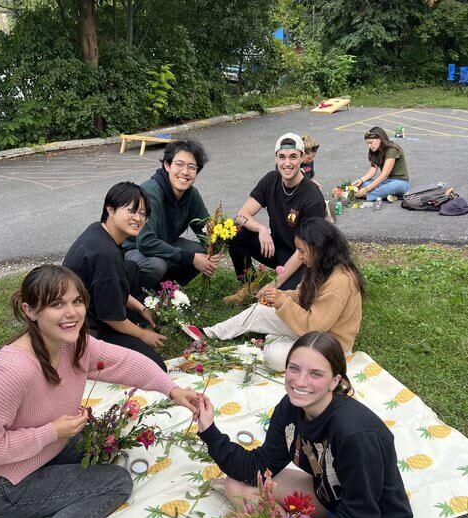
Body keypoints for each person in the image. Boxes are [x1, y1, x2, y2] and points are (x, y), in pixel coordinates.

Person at [0, 265, 199, 518]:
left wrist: (172, 390)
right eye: (57, 304)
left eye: (77, 301)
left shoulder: (72, 344)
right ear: (30, 310)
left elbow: (125, 362)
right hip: (1, 485)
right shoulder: (14, 370)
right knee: (116, 483)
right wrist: (52, 431)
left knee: (103, 446)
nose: (72, 313)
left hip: (34, 457)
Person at [197, 331, 413, 518]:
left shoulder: (355, 434)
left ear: (335, 381)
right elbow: (258, 466)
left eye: (316, 374)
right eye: (294, 369)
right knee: (238, 484)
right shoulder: (290, 408)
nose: (300, 381)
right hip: (329, 497)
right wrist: (210, 431)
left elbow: (361, 513)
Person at [197, 218, 363, 371]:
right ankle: (209, 332)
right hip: (313, 332)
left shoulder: (340, 282)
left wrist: (282, 302)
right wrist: (282, 295)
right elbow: (302, 295)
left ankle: (276, 338)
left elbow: (314, 326)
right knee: (260, 310)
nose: (299, 256)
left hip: (330, 345)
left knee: (274, 358)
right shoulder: (320, 265)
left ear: (318, 248)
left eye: (301, 251)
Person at [63, 181, 167, 371]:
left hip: (90, 305)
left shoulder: (99, 230)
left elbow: (112, 287)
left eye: (143, 213)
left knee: (131, 268)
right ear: (110, 210)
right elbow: (111, 317)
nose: (138, 218)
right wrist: (143, 335)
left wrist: (142, 308)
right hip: (84, 330)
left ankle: (130, 328)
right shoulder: (106, 255)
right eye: (131, 211)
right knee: (156, 366)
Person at [223, 133, 326, 305]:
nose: (287, 163)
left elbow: (306, 250)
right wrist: (261, 229)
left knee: (281, 302)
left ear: (302, 159)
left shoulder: (312, 197)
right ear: (276, 159)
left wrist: (275, 283)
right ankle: (248, 284)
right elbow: (241, 215)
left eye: (293, 156)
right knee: (235, 230)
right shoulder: (271, 179)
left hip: (302, 259)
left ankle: (284, 286)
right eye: (282, 157)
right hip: (277, 248)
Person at [124, 140, 221, 290]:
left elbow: (206, 230)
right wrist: (191, 259)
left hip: (162, 244)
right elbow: (145, 242)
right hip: (131, 251)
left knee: (201, 253)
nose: (185, 172)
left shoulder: (191, 195)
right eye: (180, 164)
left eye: (191, 167)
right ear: (167, 165)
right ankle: (138, 297)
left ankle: (165, 293)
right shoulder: (150, 193)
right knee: (157, 265)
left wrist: (213, 248)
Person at [352, 127, 410, 203]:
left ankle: (367, 196)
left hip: (400, 182)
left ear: (380, 139)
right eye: (367, 143)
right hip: (386, 181)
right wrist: (360, 180)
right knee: (364, 183)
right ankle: (389, 196)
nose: (369, 146)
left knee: (392, 187)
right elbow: (372, 171)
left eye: (371, 143)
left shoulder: (392, 150)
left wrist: (366, 189)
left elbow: (384, 175)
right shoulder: (375, 150)